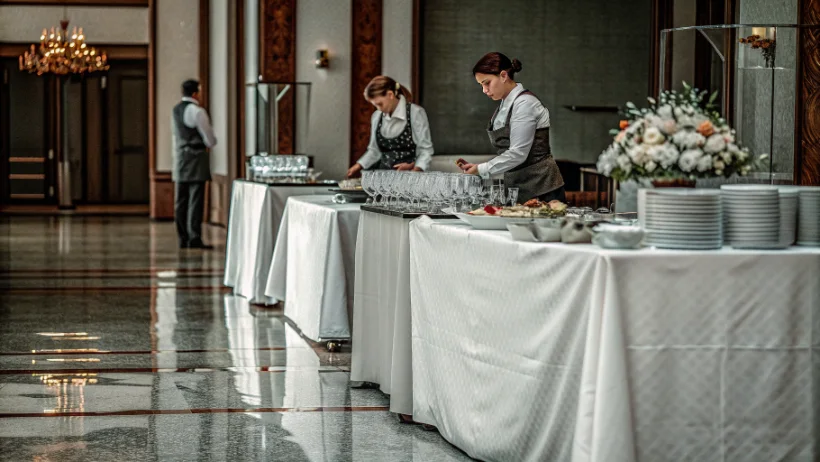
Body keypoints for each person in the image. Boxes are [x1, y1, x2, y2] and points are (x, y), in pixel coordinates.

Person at [460, 52, 565, 203]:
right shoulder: (505, 105)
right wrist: (477, 167)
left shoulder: (525, 104)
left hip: (543, 190)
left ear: (503, 76)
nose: (484, 90)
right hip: (518, 188)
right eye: (481, 85)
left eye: (486, 82)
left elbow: (518, 153)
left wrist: (481, 169)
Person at [346, 76, 434, 177]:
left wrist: (416, 169)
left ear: (390, 94)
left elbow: (425, 151)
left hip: (410, 178)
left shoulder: (415, 113)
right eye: (375, 105)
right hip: (383, 179)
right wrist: (358, 166)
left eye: (380, 104)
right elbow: (374, 151)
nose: (378, 108)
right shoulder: (377, 117)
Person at [172, 79, 217, 249]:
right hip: (197, 158)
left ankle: (182, 237)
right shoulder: (197, 111)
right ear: (195, 93)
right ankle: (194, 237)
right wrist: (210, 143)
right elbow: (209, 139)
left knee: (180, 200)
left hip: (180, 157)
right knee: (195, 200)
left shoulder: (176, 110)